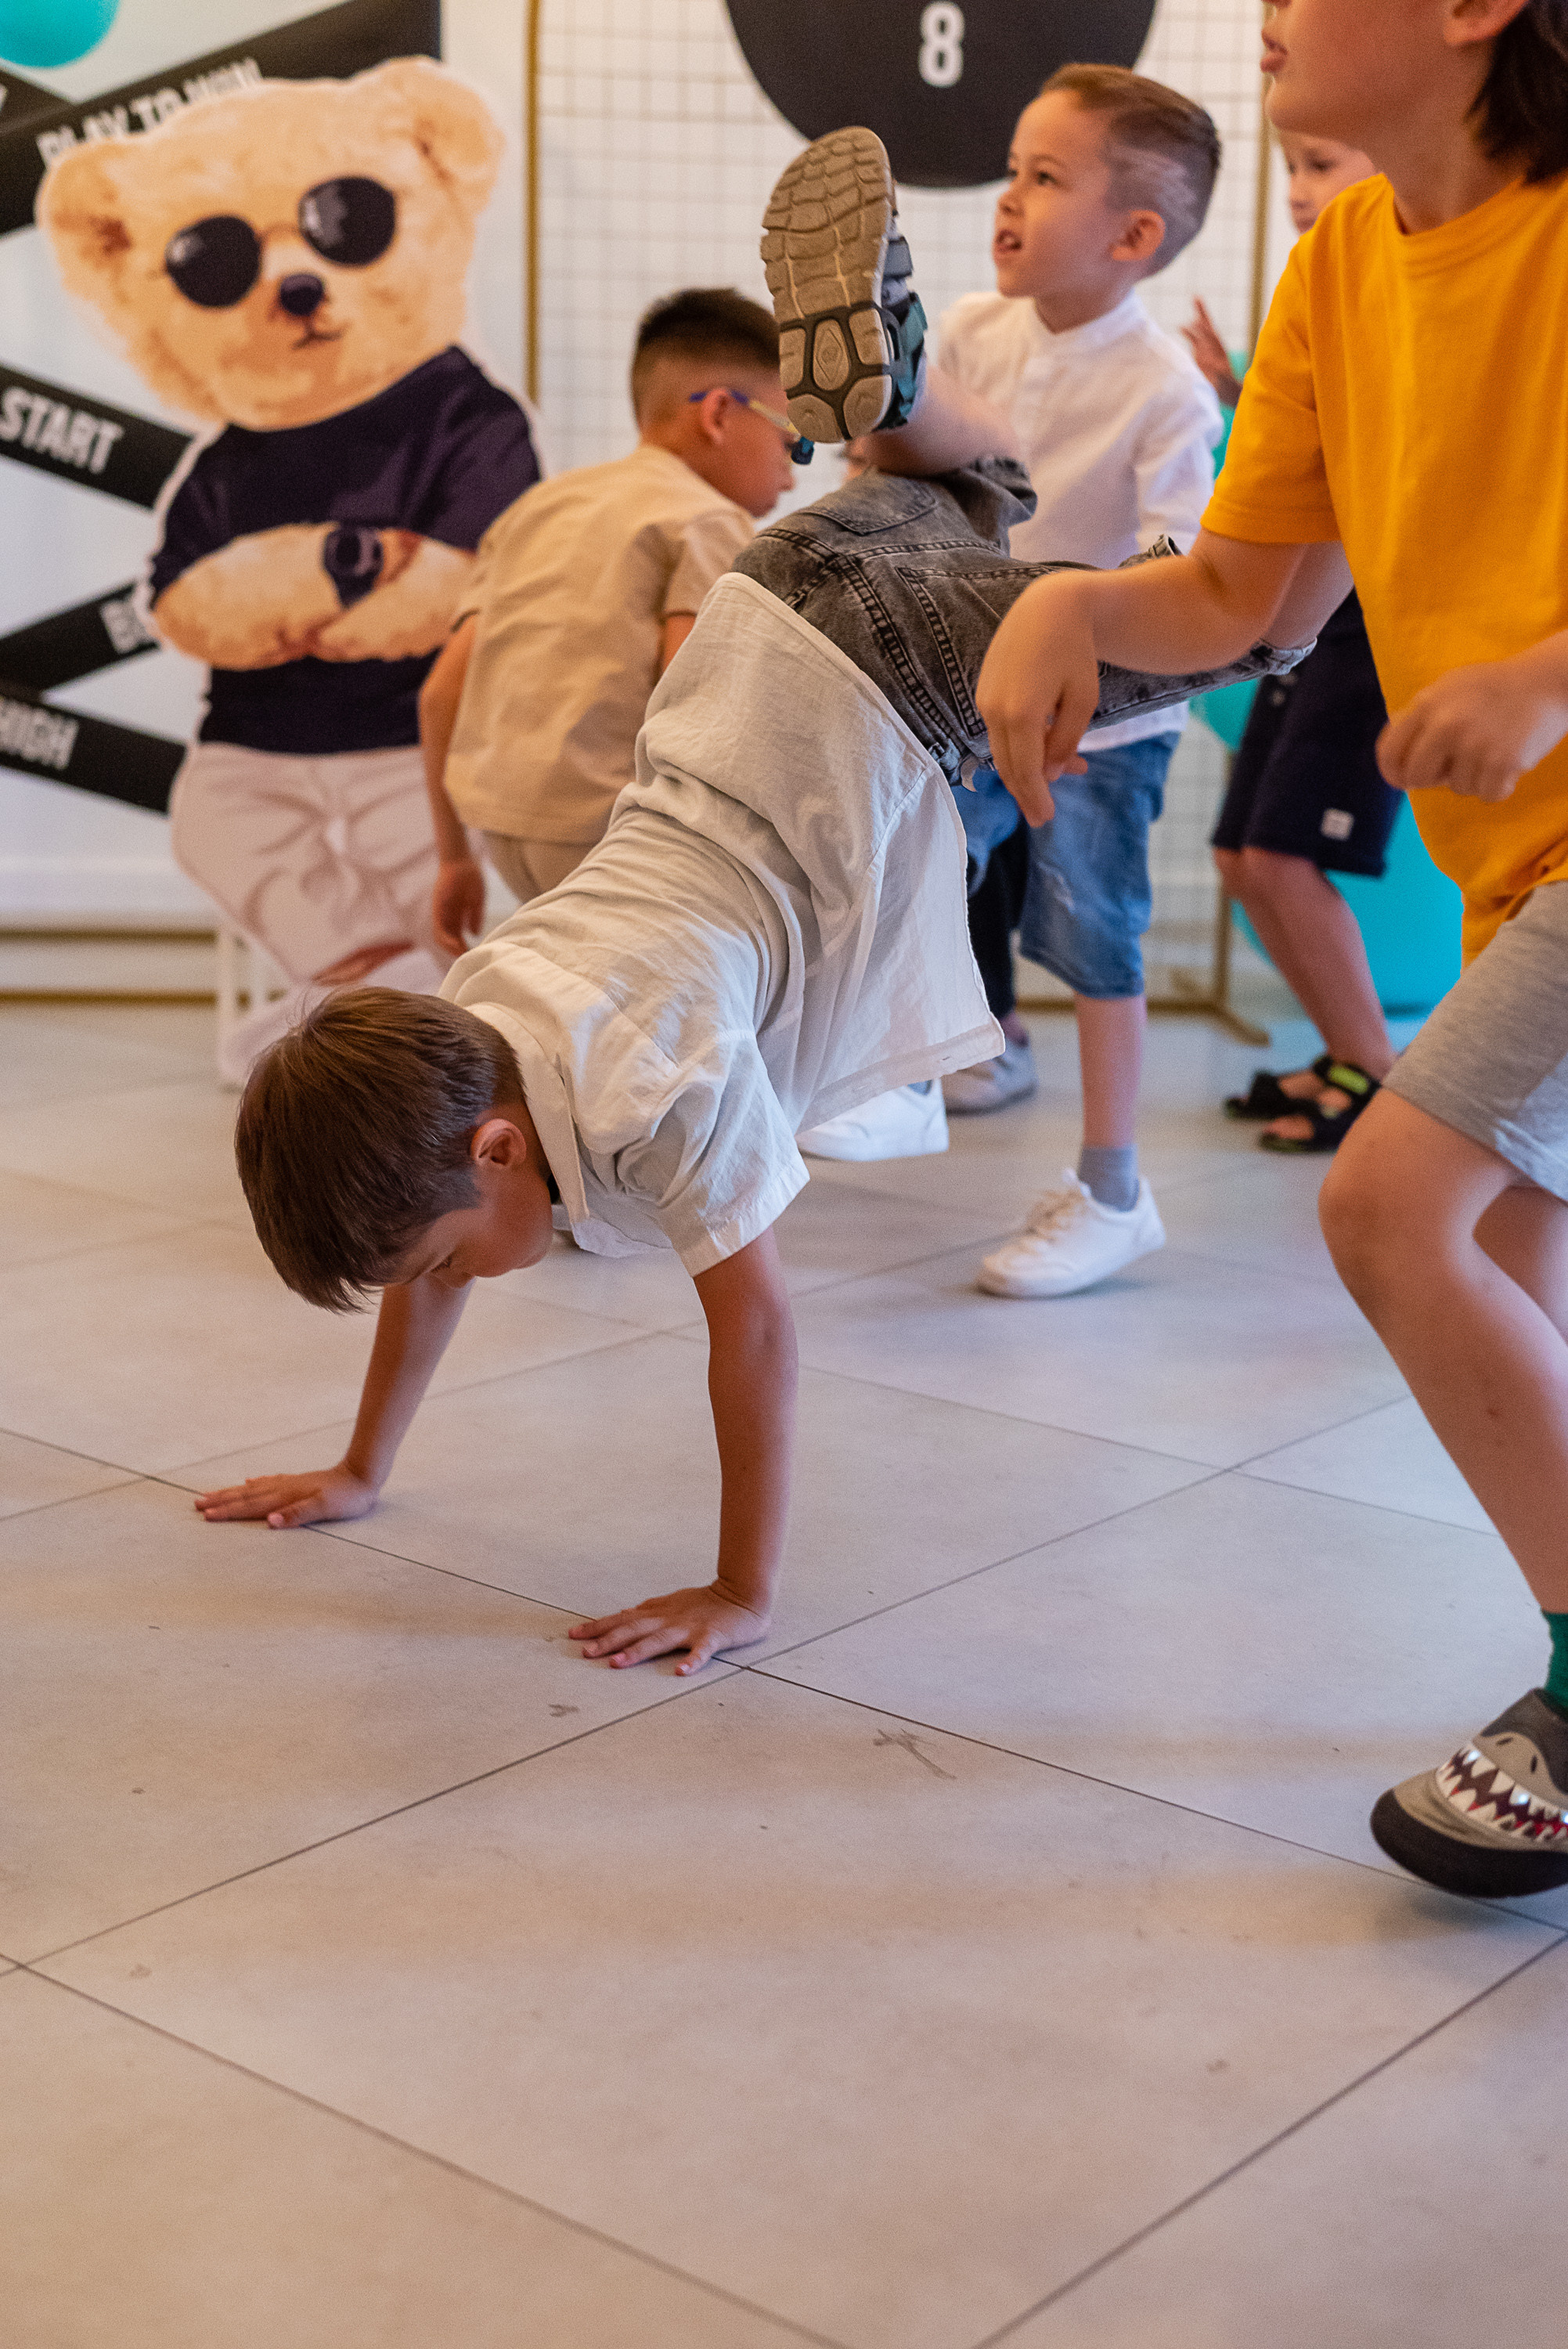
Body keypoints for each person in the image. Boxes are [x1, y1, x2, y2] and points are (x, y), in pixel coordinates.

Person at [193, 128, 1293, 1675]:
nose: (451, 1288)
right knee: (961, 483)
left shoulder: (645, 1087)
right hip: (767, 612)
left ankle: (1306, 493)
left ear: (496, 1145)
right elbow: (424, 1261)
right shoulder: (481, 1013)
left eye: (448, 1258)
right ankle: (891, 389)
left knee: (1243, 630)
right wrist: (362, 1467)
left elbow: (755, 1330)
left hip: (865, 688)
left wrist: (738, 1589)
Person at [975, 0, 1568, 1897]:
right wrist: (1070, 601)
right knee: (1512, 1270)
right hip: (1519, 870)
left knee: (1395, 1209)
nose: (1268, 13)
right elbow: (1243, 589)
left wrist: (1549, 676)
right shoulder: (1333, 277)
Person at [806, 67, 1226, 1301]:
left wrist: (1106, 690)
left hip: (1111, 709)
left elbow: (1182, 562)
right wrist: (875, 422)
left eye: (1044, 177)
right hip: (970, 685)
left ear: (1132, 237)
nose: (1006, 198)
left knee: (1094, 935)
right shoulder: (976, 334)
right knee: (914, 857)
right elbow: (911, 483)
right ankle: (902, 1077)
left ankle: (1111, 1191)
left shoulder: (1165, 388)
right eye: (1010, 168)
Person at [416, 289, 797, 951]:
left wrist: (455, 859)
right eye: (792, 441)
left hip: (504, 827)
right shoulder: (706, 520)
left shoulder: (539, 507)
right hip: (611, 830)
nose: (791, 479)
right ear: (717, 414)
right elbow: (694, 699)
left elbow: (440, 693)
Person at [1187, 132, 1404, 1154]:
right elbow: (1323, 451)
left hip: (1369, 626)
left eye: (1321, 162)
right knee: (1238, 853)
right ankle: (1343, 1053)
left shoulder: (1412, 282)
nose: (1298, 191)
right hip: (1308, 624)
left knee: (1277, 859)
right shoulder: (1321, 290)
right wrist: (1238, 400)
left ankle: (1373, 1075)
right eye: (1291, 166)